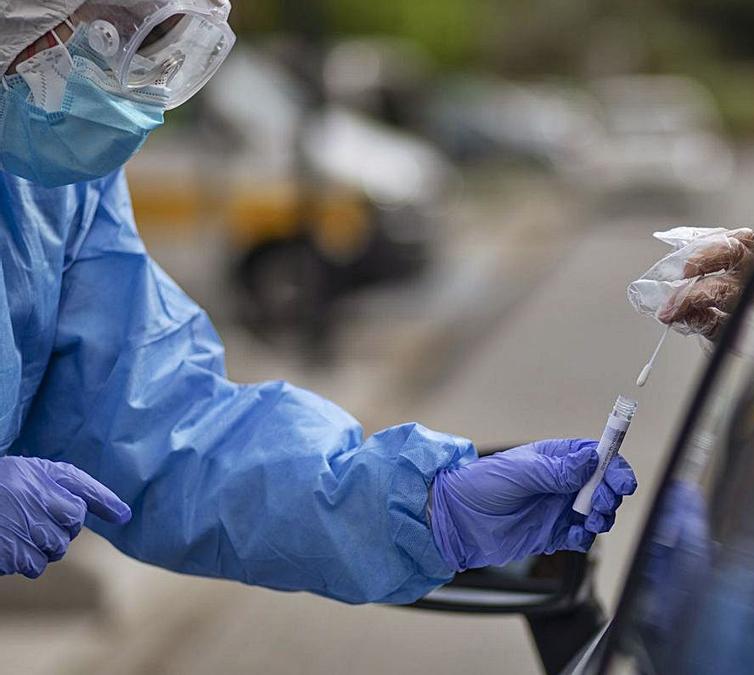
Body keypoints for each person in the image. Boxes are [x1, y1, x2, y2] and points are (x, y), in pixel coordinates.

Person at [0, 0, 636, 604]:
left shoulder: (48, 188)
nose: (126, 86)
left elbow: (162, 428)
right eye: (108, 35)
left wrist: (424, 506)